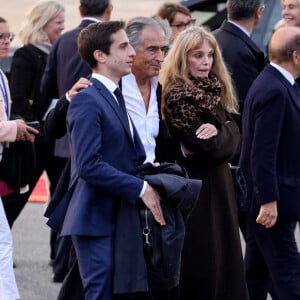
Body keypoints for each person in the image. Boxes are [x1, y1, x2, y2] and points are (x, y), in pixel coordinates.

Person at [53, 20, 165, 300]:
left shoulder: (114, 96)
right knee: (100, 292)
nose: (131, 52)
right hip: (93, 216)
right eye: (124, 45)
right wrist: (141, 188)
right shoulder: (88, 99)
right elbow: (89, 164)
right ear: (100, 55)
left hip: (116, 213)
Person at [160, 26, 249, 300]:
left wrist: (223, 129)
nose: (206, 61)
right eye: (197, 55)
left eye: (210, 55)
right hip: (199, 194)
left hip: (219, 190)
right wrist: (226, 130)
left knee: (225, 267)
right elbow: (208, 148)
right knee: (204, 269)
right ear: (182, 58)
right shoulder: (179, 96)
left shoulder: (212, 91)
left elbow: (235, 139)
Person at [40, 0, 112, 282]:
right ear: (108, 8)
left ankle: (59, 260)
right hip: (94, 135)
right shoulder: (109, 41)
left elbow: (46, 87)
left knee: (63, 199)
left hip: (62, 136)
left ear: (80, 9)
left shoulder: (63, 40)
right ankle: (65, 264)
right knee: (78, 201)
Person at [239, 25, 300, 300]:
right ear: (296, 56)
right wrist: (268, 201)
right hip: (271, 204)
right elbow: (262, 152)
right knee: (288, 271)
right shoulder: (274, 89)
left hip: (268, 200)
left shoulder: (275, 83)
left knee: (256, 272)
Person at [3, 0, 65, 229]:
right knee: (15, 198)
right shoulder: (27, 54)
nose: (62, 27)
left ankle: (58, 257)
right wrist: (37, 127)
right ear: (43, 23)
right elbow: (19, 98)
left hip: (56, 138)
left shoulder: (57, 52)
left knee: (61, 198)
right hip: (34, 137)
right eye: (58, 22)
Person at [0, 16, 38, 300]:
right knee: (2, 242)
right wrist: (15, 127)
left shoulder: (2, 75)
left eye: (8, 37)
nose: (6, 42)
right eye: (1, 37)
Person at [123, 16, 171, 163]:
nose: (160, 58)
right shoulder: (111, 87)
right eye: (152, 50)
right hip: (120, 182)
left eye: (163, 50)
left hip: (152, 179)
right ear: (131, 50)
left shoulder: (161, 89)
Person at [213, 0, 265, 130]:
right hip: (233, 139)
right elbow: (244, 107)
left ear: (227, 6)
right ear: (258, 12)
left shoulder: (211, 38)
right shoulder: (242, 52)